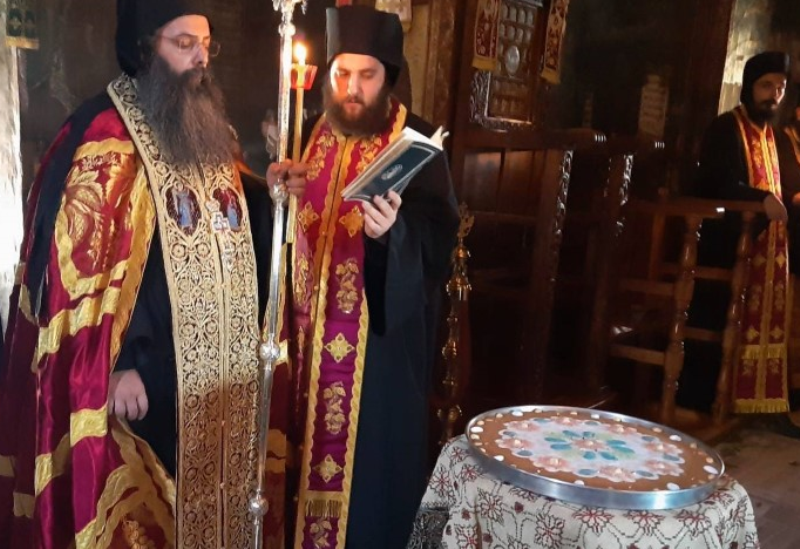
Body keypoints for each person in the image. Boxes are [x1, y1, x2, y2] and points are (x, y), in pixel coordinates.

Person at [0, 1, 305, 547]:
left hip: (211, 386)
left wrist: (271, 194)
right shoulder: (101, 138)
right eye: (184, 44)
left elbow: (229, 214)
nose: (200, 59)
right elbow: (79, 282)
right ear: (146, 48)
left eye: (206, 45)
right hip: (139, 391)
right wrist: (117, 366)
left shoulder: (203, 127)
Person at [262, 6, 459, 549]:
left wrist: (392, 235)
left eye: (366, 75)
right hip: (304, 350)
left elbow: (438, 246)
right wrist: (276, 191)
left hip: (375, 364)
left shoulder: (417, 141)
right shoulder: (310, 133)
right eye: (342, 74)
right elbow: (285, 237)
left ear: (387, 77)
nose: (352, 88)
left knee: (368, 499)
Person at [694, 51, 799, 415]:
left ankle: (757, 401)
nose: (774, 95)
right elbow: (715, 183)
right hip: (727, 245)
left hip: (769, 248)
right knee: (719, 323)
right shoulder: (726, 128)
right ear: (749, 87)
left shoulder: (771, 136)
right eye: (766, 86)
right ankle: (711, 402)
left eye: (780, 88)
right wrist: (760, 199)